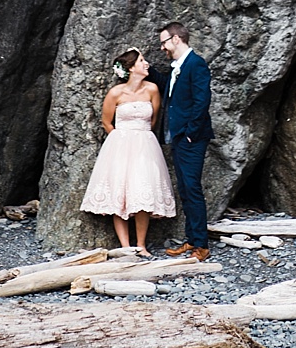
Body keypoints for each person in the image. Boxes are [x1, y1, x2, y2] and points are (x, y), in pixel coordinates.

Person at [80, 47, 176, 254]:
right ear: (131, 68)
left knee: (143, 192)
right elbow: (106, 122)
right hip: (120, 145)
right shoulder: (116, 93)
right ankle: (125, 247)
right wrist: (121, 139)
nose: (146, 64)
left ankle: (141, 245)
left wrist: (139, 134)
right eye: (142, 61)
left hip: (145, 144)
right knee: (119, 194)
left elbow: (153, 120)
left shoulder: (151, 89)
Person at [158, 23, 214, 260]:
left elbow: (202, 100)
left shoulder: (196, 64)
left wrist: (190, 131)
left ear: (177, 39)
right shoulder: (177, 68)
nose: (162, 48)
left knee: (192, 188)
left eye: (164, 42)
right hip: (179, 136)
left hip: (191, 137)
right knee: (185, 189)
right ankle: (192, 240)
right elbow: (171, 92)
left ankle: (201, 244)